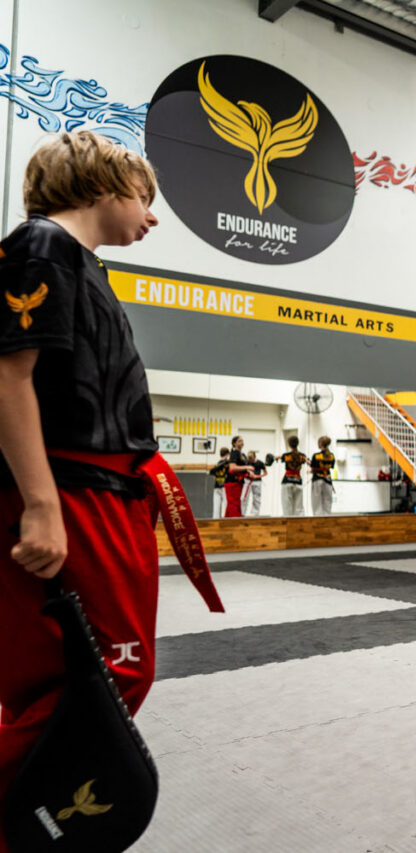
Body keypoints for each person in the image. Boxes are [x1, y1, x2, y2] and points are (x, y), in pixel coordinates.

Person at [0, 131, 190, 831]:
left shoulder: (84, 267)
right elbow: (7, 374)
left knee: (47, 681)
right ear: (104, 185)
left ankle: (21, 825)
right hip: (74, 490)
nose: (153, 214)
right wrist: (41, 505)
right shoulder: (40, 245)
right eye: (147, 196)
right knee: (112, 672)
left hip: (104, 489)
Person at [223, 434, 251, 518]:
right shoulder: (234, 453)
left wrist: (250, 473)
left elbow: (244, 469)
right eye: (239, 441)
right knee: (234, 503)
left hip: (239, 482)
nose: (242, 442)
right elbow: (233, 467)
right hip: (232, 482)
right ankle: (234, 521)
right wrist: (246, 467)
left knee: (235, 502)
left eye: (242, 441)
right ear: (234, 443)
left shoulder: (243, 455)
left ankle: (227, 521)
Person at [279, 435, 307, 517]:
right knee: (299, 506)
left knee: (287, 505)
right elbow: (308, 461)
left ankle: (288, 521)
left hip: (287, 481)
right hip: (298, 481)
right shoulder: (302, 456)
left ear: (289, 444)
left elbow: (278, 457)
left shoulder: (286, 455)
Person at [310, 435, 335, 516]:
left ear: (320, 443)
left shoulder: (316, 456)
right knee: (327, 502)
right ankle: (327, 517)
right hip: (327, 480)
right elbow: (331, 467)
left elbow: (313, 468)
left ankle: (317, 518)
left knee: (316, 502)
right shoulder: (331, 456)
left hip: (318, 479)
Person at [242, 450, 266, 516]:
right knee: (244, 497)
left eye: (252, 460)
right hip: (248, 481)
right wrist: (249, 472)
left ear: (255, 457)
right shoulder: (246, 462)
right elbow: (244, 469)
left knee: (257, 498)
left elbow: (265, 473)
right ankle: (242, 513)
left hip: (257, 481)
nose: (251, 461)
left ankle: (255, 513)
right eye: (250, 460)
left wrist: (257, 476)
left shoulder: (260, 463)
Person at [209, 446, 230, 518]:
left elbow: (213, 474)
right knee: (226, 505)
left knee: (216, 508)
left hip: (217, 486)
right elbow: (211, 471)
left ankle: (215, 521)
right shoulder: (226, 464)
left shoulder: (217, 464)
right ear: (227, 454)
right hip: (225, 487)